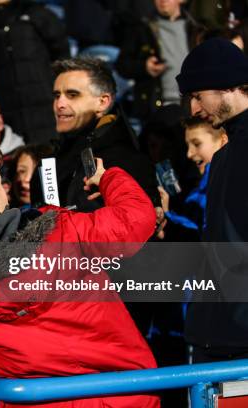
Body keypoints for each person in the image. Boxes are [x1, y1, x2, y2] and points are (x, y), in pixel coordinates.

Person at [0, 139, 159, 408]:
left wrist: (3, 355)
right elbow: (137, 219)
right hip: (121, 395)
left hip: (35, 400)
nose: (7, 189)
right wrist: (108, 178)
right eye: (0, 183)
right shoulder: (63, 230)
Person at [175, 37, 248, 363]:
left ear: (228, 86)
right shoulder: (224, 156)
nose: (193, 108)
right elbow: (221, 245)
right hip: (219, 334)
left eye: (197, 95)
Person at [51, 58, 161, 215]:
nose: (59, 104)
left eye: (72, 95)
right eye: (56, 95)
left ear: (103, 102)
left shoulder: (126, 160)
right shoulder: (59, 151)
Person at [0, 0, 69, 143]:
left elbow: (62, 54)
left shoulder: (38, 14)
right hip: (10, 109)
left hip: (45, 103)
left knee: (50, 154)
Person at [116, 0, 204, 120]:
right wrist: (144, 67)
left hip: (190, 108)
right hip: (154, 109)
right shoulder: (142, 28)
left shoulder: (196, 29)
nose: (163, 1)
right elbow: (122, 65)